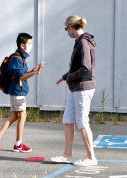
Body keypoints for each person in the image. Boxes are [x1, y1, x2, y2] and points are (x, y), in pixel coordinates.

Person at [50, 16, 97, 166]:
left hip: (83, 87)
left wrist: (69, 77)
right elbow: (76, 67)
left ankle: (91, 157)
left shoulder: (83, 42)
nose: (67, 32)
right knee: (68, 120)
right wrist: (65, 77)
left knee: (82, 122)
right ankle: (67, 154)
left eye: (66, 29)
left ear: (71, 27)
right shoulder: (79, 41)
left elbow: (85, 67)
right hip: (75, 87)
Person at [0, 33, 44, 153]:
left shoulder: (21, 58)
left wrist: (33, 70)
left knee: (15, 116)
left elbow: (21, 74)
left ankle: (0, 139)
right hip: (18, 92)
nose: (31, 45)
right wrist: (35, 73)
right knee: (22, 115)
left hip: (18, 91)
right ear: (22, 45)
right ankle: (13, 142)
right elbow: (21, 77)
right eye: (29, 43)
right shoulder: (16, 59)